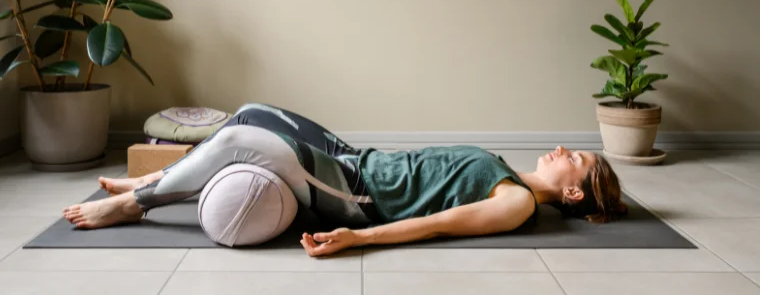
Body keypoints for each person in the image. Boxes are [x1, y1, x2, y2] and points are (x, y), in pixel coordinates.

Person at [63, 103, 627, 257]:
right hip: (358, 160)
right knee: (255, 111)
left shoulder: (517, 203)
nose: (560, 149)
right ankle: (164, 176)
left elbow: (434, 225)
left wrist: (359, 238)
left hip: (359, 196)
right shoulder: (509, 174)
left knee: (240, 141)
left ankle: (137, 203)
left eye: (573, 157)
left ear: (574, 192)